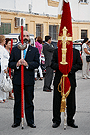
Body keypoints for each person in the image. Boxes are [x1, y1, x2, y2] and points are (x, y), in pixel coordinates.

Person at [9, 31, 40, 128]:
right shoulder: (15, 50)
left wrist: (28, 64)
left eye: (27, 36)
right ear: (20, 38)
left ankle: (30, 121)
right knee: (18, 101)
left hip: (29, 80)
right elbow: (10, 64)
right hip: (18, 79)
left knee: (29, 101)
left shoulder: (34, 50)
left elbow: (37, 63)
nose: (25, 38)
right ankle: (17, 121)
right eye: (23, 36)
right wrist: (17, 64)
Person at [51, 48, 82, 128]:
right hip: (59, 80)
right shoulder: (57, 51)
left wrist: (69, 69)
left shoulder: (75, 52)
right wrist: (61, 67)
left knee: (71, 101)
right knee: (57, 101)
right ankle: (56, 120)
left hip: (70, 80)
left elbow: (79, 65)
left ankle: (70, 120)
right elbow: (52, 64)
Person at [0, 35, 9, 103]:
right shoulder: (0, 48)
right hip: (2, 67)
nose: (5, 41)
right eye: (4, 40)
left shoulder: (3, 48)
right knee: (1, 82)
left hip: (5, 67)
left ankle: (4, 96)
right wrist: (4, 68)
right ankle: (1, 97)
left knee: (4, 82)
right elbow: (1, 59)